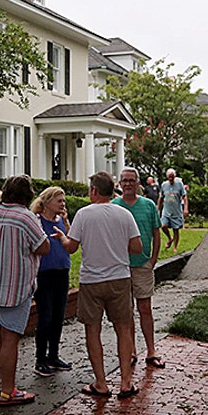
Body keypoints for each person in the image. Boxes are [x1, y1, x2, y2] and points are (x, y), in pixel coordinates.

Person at [53, 171, 143, 400]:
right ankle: (125, 382)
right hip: (120, 278)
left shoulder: (83, 214)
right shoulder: (124, 215)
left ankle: (101, 383)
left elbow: (71, 247)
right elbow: (137, 247)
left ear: (94, 191)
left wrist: (62, 237)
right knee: (123, 328)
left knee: (92, 330)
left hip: (91, 281)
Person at [0, 175, 49, 407]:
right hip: (14, 287)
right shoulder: (27, 218)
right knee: (10, 338)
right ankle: (8, 391)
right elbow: (43, 247)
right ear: (28, 195)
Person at [112, 167, 166, 368]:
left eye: (131, 180)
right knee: (127, 311)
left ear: (138, 183)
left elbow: (156, 232)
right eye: (124, 180)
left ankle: (151, 350)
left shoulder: (149, 205)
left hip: (143, 264)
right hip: (121, 266)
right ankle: (132, 349)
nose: (127, 184)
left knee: (145, 308)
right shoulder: (114, 206)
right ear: (119, 183)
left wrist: (153, 259)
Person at [30, 186, 72, 377]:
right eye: (59, 201)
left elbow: (72, 241)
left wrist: (66, 222)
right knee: (45, 316)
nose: (63, 204)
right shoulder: (37, 221)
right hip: (44, 273)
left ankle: (53, 355)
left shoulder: (61, 220)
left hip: (62, 271)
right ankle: (40, 359)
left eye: (63, 201)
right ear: (47, 202)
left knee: (58, 315)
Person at [159, 168, 187, 251]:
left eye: (172, 177)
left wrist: (185, 208)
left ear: (174, 176)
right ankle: (169, 238)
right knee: (163, 226)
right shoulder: (164, 185)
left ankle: (175, 247)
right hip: (166, 211)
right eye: (169, 177)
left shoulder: (179, 184)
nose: (171, 179)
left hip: (176, 211)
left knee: (176, 230)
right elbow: (161, 198)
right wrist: (158, 209)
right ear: (167, 177)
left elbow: (185, 197)